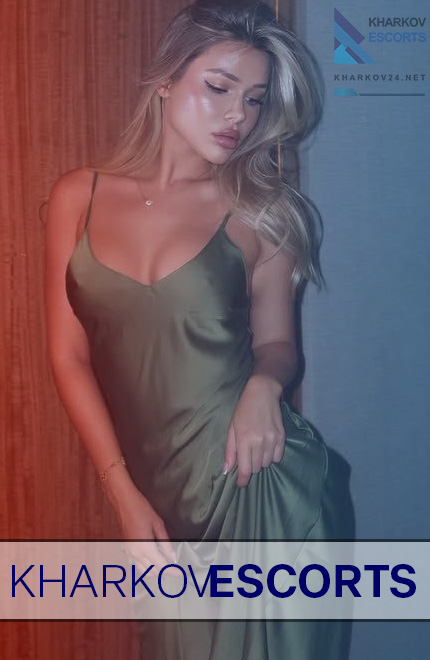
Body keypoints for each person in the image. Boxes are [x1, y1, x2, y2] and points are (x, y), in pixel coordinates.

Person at [44, 0, 354, 657]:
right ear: (165, 80)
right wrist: (122, 493)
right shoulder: (79, 196)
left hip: (259, 487)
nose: (238, 115)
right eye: (219, 88)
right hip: (160, 493)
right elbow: (68, 355)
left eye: (254, 99)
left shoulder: (262, 215)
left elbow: (278, 346)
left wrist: (266, 387)